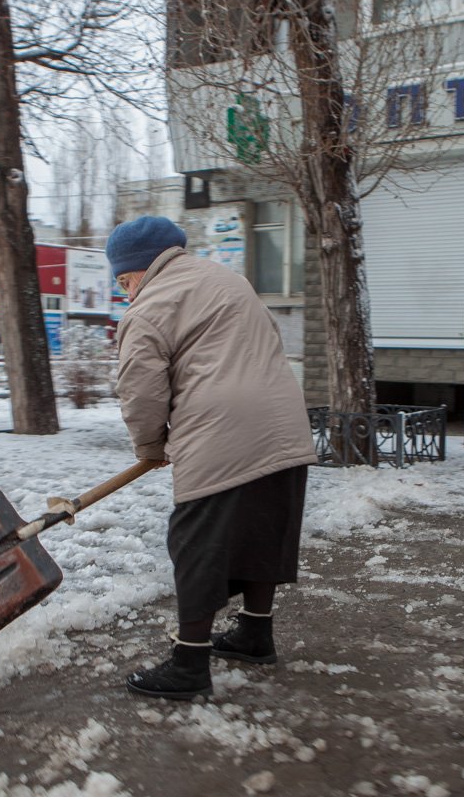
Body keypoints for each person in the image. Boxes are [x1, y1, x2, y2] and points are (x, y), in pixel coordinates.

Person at [107, 215, 317, 700]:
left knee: (196, 542)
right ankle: (254, 634)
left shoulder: (148, 307)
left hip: (221, 431)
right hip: (284, 421)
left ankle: (188, 664)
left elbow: (140, 391)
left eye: (123, 280)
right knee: (264, 529)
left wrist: (150, 446)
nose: (125, 292)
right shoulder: (229, 281)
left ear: (141, 268)